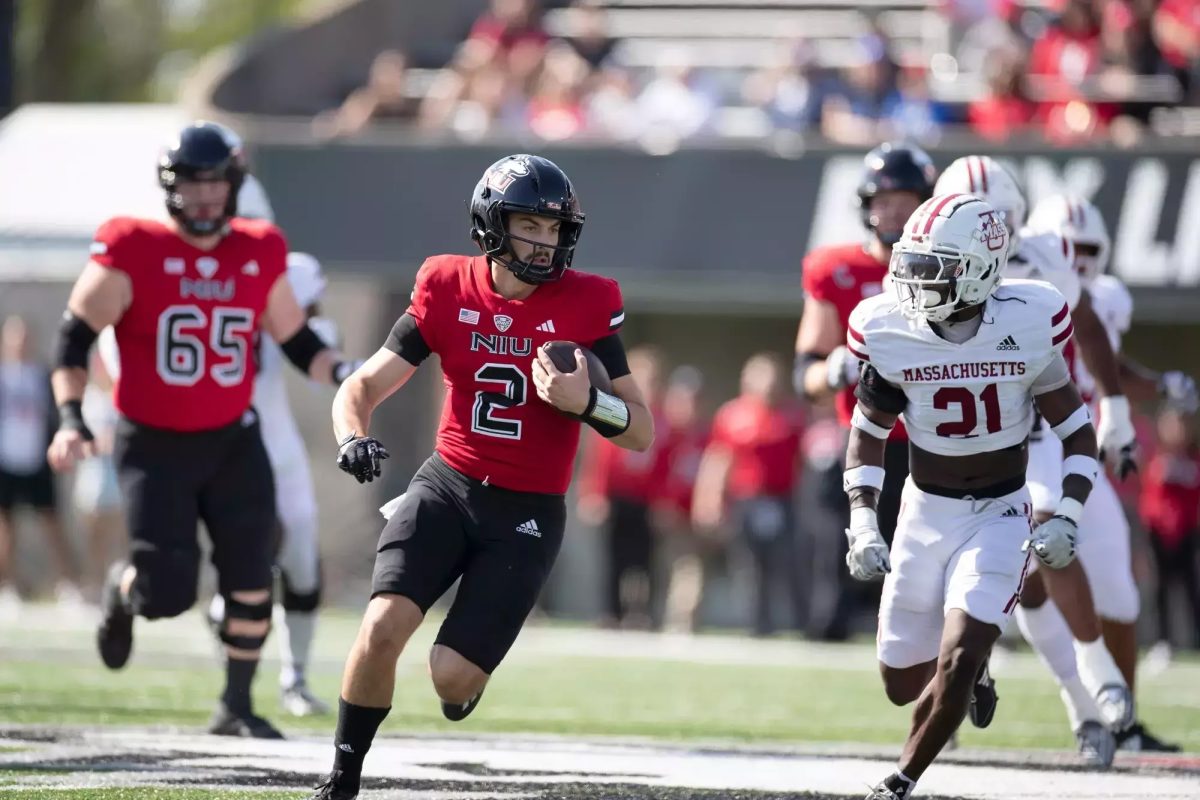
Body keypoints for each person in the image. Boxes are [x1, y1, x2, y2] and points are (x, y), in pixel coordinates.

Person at [308, 154, 653, 800]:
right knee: (381, 626)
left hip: (526, 510)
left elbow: (641, 430)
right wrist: (351, 436)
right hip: (448, 485)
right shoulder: (445, 285)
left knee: (451, 678)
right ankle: (343, 779)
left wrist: (588, 405)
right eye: (531, 226)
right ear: (492, 225)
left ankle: (467, 678)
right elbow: (362, 384)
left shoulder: (588, 301)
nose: (546, 243)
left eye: (555, 230)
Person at [46, 121, 357, 739]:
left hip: (231, 438)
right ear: (171, 188)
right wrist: (71, 417)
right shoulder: (132, 246)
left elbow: (294, 338)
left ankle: (236, 704)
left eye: (217, 183)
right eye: (194, 184)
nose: (207, 197)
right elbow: (74, 335)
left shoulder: (259, 249)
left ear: (235, 185)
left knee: (250, 570)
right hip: (153, 442)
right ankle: (126, 587)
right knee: (168, 591)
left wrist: (346, 374)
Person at [845, 194, 1098, 799]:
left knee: (958, 656)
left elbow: (1077, 432)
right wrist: (861, 519)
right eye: (914, 264)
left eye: (936, 267)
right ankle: (971, 668)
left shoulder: (1027, 320)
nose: (915, 281)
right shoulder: (890, 329)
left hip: (1000, 514)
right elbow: (869, 433)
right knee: (902, 681)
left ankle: (901, 780)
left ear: (982, 270)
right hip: (924, 510)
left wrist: (1069, 510)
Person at [934, 157, 1137, 765]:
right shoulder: (927, 260)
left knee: (1047, 528)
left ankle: (1099, 666)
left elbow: (1091, 326)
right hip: (975, 428)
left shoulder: (1045, 256)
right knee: (1020, 589)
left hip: (1043, 420)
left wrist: (1118, 408)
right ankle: (1078, 699)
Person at [1016, 192, 1194, 753]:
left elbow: (1108, 369)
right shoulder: (1013, 294)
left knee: (1119, 595)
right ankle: (1075, 697)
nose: (1081, 259)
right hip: (1020, 458)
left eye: (1089, 249)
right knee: (1031, 581)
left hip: (1077, 461)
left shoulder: (1102, 301)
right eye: (1070, 248)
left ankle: (1124, 721)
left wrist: (1158, 386)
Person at [204, 176, 342, 717]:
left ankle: (296, 678)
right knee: (241, 562)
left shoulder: (291, 272)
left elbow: (317, 358)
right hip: (219, 436)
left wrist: (327, 345)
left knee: (302, 554)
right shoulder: (188, 269)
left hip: (273, 435)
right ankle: (236, 686)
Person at [794, 141, 937, 641]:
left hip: (931, 442)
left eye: (905, 198)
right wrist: (833, 370)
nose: (893, 209)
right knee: (839, 557)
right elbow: (805, 373)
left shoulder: (949, 266)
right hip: (861, 440)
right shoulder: (836, 268)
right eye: (883, 198)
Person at [693, 353, 805, 636]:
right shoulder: (732, 415)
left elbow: (802, 463)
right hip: (745, 501)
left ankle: (794, 621)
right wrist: (709, 500)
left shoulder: (792, 416)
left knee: (784, 563)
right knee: (748, 565)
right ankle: (756, 623)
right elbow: (718, 459)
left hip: (783, 500)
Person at [0, 315, 83, 611]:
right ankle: (8, 587)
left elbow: (53, 414)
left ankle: (69, 584)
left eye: (24, 337)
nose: (20, 344)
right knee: (6, 529)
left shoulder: (41, 375)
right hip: (6, 461)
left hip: (37, 460)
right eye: (14, 338)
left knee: (53, 524)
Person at [577, 346, 664, 629]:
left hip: (647, 501)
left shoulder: (663, 420)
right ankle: (610, 613)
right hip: (618, 498)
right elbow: (600, 459)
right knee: (614, 559)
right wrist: (594, 494)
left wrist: (665, 500)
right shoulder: (615, 409)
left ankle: (640, 612)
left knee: (643, 561)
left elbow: (667, 465)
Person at [1140, 407, 1200, 657]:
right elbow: (1149, 498)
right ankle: (1163, 642)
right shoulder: (1155, 459)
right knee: (1160, 589)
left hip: (1188, 532)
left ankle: (1195, 641)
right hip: (1159, 534)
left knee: (1191, 588)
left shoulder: (1193, 460)